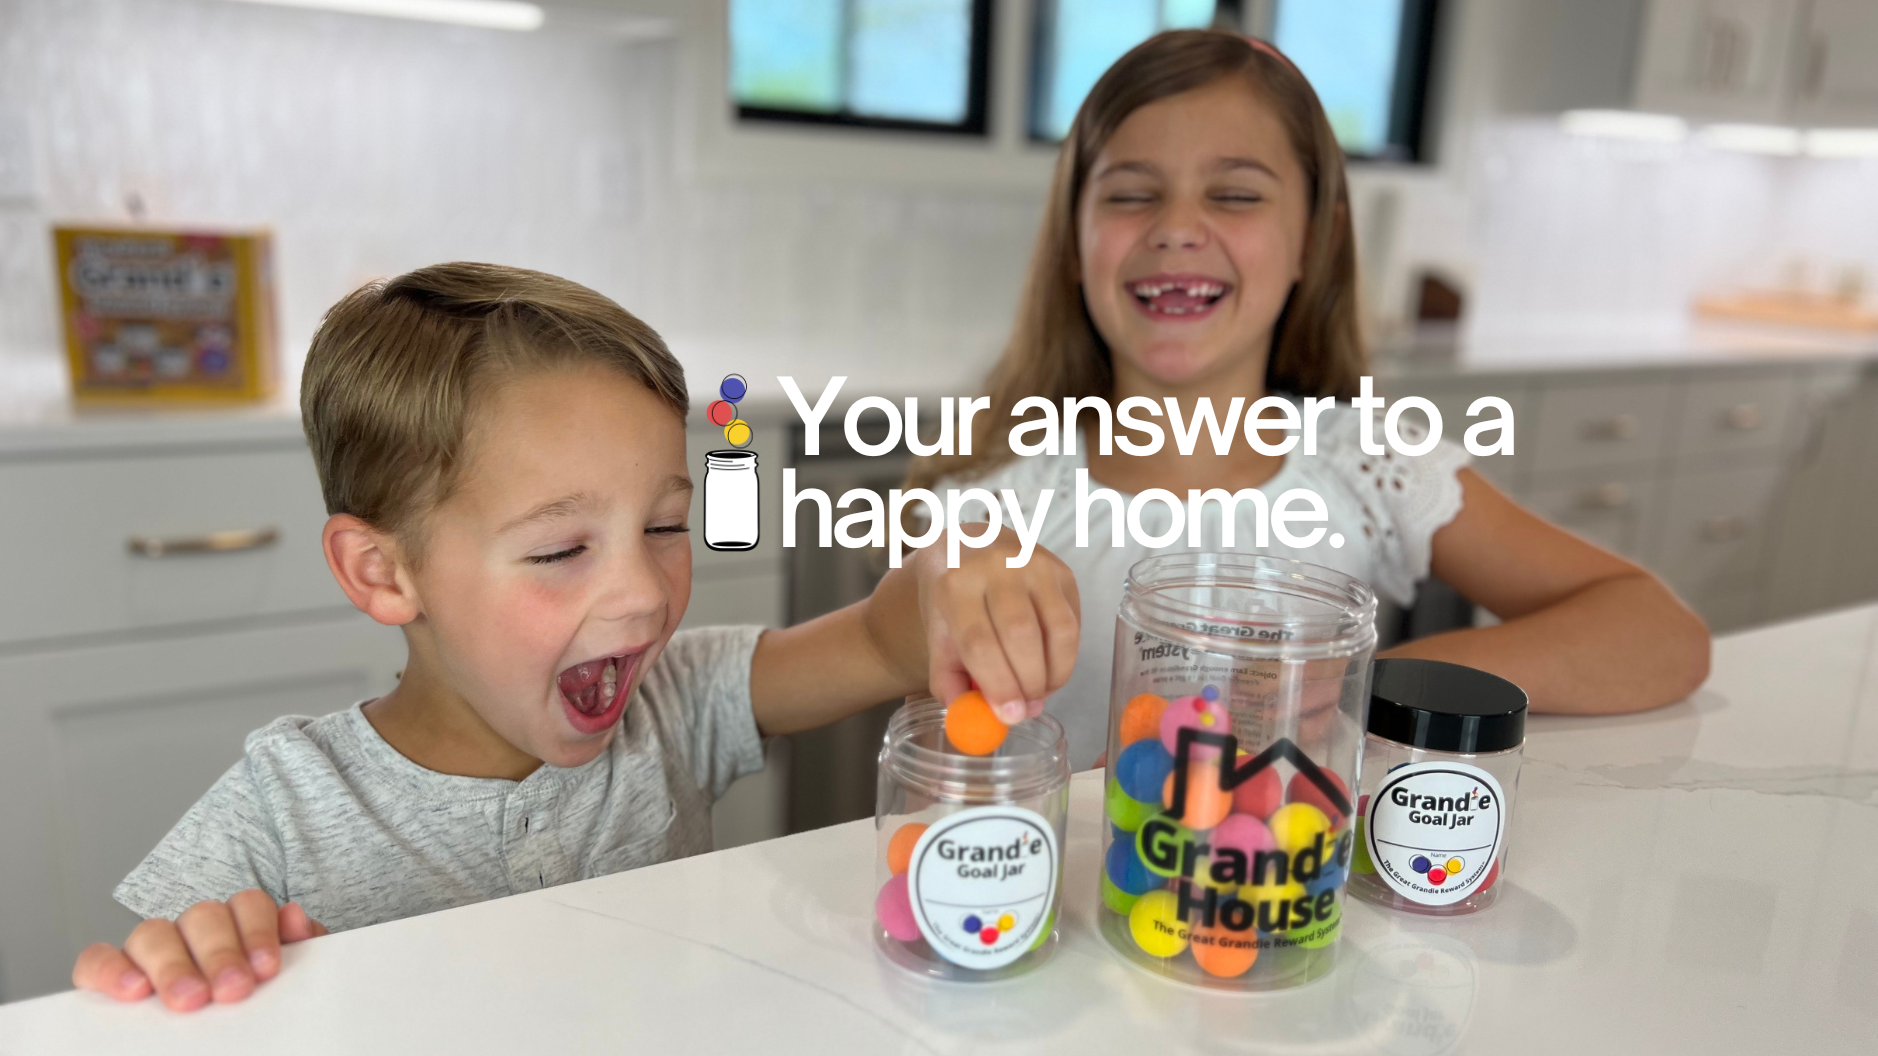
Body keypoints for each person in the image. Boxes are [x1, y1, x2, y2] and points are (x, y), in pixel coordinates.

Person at [71, 263, 1081, 1012]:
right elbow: (128, 986)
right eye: (562, 550)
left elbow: (881, 640)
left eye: (664, 527)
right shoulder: (283, 808)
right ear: (384, 572)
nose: (642, 594)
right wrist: (185, 962)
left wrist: (961, 569)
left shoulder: (673, 704)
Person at [909, 31, 1709, 769]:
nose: (1178, 226)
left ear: (1312, 242)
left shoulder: (1367, 465)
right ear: (1072, 245)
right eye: (1129, 195)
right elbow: (946, 761)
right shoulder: (991, 498)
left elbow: (1660, 634)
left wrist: (1362, 685)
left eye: (1236, 195)